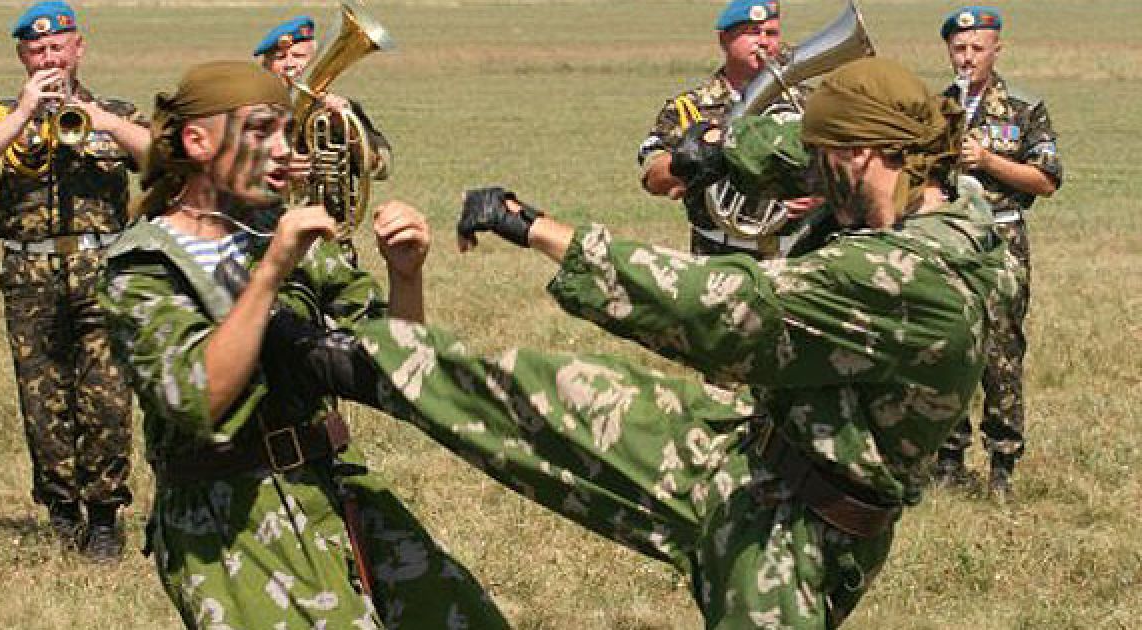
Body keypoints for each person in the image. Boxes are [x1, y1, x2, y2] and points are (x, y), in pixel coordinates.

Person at [261, 58, 1023, 628]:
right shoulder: (933, 180)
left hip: (805, 533)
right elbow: (802, 144)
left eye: (829, 163)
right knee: (557, 393)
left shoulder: (912, 277)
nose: (814, 174)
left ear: (861, 155)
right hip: (744, 458)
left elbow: (718, 308)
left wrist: (535, 228)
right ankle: (358, 362)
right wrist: (727, 152)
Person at [97, 61, 507, 629]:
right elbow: (197, 399)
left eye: (285, 133)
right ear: (197, 141)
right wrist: (269, 273)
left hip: (334, 486)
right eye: (259, 131)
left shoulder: (282, 230)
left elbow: (395, 366)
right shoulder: (142, 264)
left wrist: (406, 275)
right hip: (228, 516)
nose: (281, 150)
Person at [0, 0, 148, 560]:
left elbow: (162, 156)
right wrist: (23, 115)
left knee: (107, 397)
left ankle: (106, 515)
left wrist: (103, 121)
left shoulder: (115, 110)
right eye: (37, 49)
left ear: (79, 48)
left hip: (103, 270)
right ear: (22, 56)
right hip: (29, 273)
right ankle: (62, 510)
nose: (49, 56)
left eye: (58, 46)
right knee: (43, 400)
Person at [931, 6, 1062, 500]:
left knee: (1001, 351)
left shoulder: (1025, 108)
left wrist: (987, 160)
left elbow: (1047, 180)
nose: (966, 58)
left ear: (996, 49)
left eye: (976, 49)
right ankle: (948, 458)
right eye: (958, 49)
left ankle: (1003, 464)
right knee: (946, 345)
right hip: (947, 238)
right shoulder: (937, 106)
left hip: (1001, 241)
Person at [638, 0, 819, 258]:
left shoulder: (810, 104)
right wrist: (697, 157)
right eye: (751, 32)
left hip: (798, 254)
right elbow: (653, 179)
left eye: (771, 33)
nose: (764, 42)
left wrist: (823, 195)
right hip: (719, 257)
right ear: (724, 40)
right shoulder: (689, 108)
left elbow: (848, 164)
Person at [255, 15, 392, 181]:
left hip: (329, 207)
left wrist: (348, 129)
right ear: (267, 67)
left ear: (315, 61)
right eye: (280, 58)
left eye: (299, 56)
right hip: (270, 206)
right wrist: (272, 165)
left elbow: (382, 169)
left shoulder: (340, 110)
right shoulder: (250, 112)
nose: (290, 64)